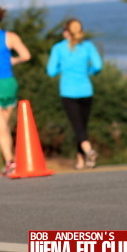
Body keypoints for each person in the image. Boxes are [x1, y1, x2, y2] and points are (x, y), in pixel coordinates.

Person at [47, 18, 103, 169]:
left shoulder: (58, 48)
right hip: (86, 90)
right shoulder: (88, 46)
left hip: (68, 92)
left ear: (66, 32)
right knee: (82, 127)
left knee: (78, 127)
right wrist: (89, 71)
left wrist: (63, 68)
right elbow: (98, 66)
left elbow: (51, 71)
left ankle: (89, 151)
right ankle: (81, 161)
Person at [0, 5, 31, 176]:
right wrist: (13, 60)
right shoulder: (10, 36)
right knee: (4, 126)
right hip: (9, 83)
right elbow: (26, 55)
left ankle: (11, 161)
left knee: (0, 128)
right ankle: (9, 161)